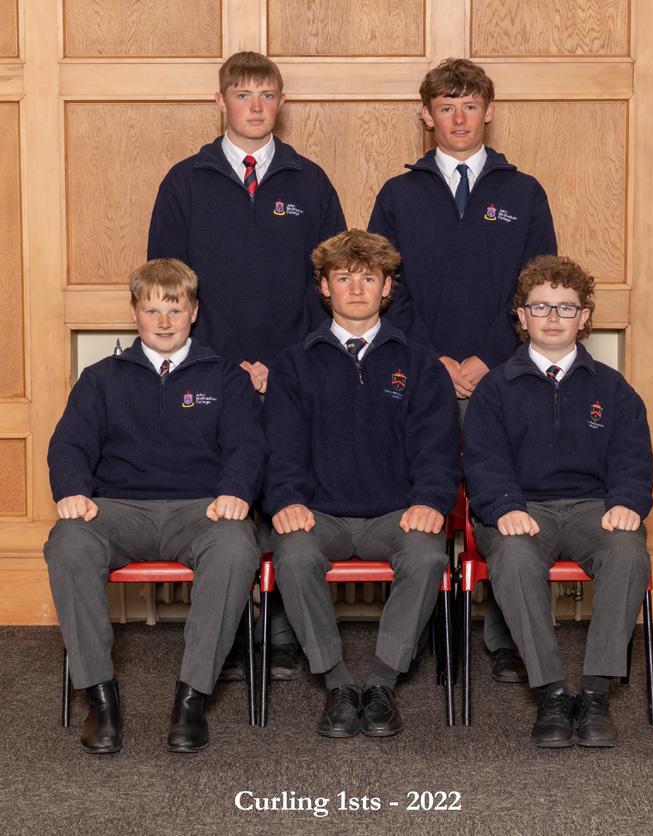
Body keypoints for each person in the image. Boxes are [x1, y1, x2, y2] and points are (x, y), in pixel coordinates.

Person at [148, 50, 346, 675]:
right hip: (211, 368)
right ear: (221, 102)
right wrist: (229, 363)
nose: (255, 106)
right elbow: (168, 285)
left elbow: (333, 285)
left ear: (281, 103)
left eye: (266, 95)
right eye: (242, 94)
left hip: (294, 369)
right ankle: (230, 629)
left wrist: (283, 364)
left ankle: (283, 628)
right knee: (226, 490)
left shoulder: (310, 183)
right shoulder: (184, 182)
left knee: (288, 480)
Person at [369, 56, 558, 683]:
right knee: (417, 492)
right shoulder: (398, 195)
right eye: (446, 107)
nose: (458, 118)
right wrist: (435, 359)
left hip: (501, 374)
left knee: (506, 493)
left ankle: (507, 637)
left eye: (469, 106)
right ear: (427, 116)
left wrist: (488, 355)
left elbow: (539, 287)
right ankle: (417, 629)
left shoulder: (523, 192)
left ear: (488, 111)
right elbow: (381, 289)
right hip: (419, 374)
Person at [44, 258, 266, 754]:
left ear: (194, 313)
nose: (164, 322)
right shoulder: (101, 378)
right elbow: (70, 443)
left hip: (201, 511)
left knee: (236, 546)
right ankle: (100, 699)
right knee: (68, 542)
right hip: (118, 511)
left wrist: (236, 490)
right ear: (134, 313)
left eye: (175, 309)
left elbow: (248, 445)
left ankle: (192, 699)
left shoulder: (225, 377)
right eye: (152, 310)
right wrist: (72, 489)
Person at [262, 229, 460, 738]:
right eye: (344, 278)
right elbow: (279, 447)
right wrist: (285, 499)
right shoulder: (293, 364)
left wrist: (430, 500)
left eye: (368, 278)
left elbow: (438, 448)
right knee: (293, 554)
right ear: (324, 286)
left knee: (426, 555)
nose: (356, 289)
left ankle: (381, 684)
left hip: (395, 514)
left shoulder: (420, 364)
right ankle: (337, 683)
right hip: (319, 514)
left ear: (387, 287)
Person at [463, 255, 653, 748]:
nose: (552, 317)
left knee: (627, 550)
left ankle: (594, 695)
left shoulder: (612, 388)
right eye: (540, 307)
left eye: (565, 307)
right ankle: (550, 693)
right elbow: (482, 459)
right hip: (522, 509)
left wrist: (627, 500)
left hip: (594, 509)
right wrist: (505, 505)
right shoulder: (494, 389)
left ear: (584, 317)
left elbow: (633, 455)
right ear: (521, 316)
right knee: (514, 557)